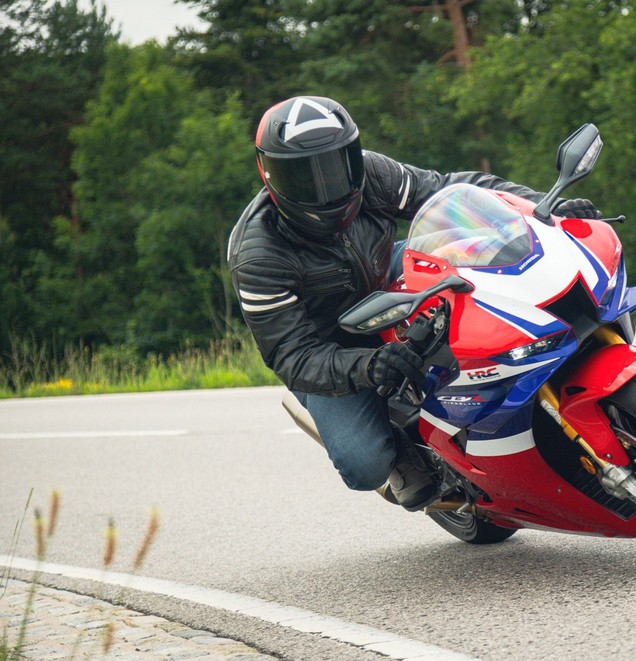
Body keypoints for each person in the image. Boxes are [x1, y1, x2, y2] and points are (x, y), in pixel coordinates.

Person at [227, 96, 601, 511]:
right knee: (363, 465)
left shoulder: (371, 173)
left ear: (354, 155)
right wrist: (369, 366)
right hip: (329, 342)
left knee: (470, 244)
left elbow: (450, 190)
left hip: (383, 270)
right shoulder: (258, 257)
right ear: (268, 174)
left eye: (337, 165)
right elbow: (292, 355)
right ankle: (401, 447)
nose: (326, 185)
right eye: (304, 177)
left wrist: (538, 208)